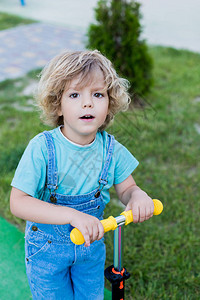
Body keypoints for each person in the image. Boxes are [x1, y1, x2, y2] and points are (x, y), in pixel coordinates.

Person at [10, 50, 154, 300]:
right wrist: (72, 215)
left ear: (109, 102)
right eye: (75, 94)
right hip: (47, 252)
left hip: (90, 251)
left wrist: (138, 196)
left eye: (97, 94)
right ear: (58, 104)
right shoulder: (43, 148)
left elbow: (128, 189)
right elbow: (18, 202)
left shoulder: (112, 150)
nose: (87, 103)